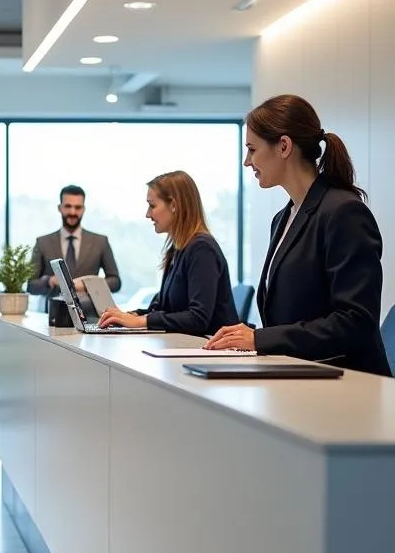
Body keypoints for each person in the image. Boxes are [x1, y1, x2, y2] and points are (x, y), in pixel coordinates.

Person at [206, 95, 390, 376]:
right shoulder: (282, 219)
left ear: (283, 146)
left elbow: (355, 322)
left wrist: (260, 339)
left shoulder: (344, 212)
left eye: (252, 149)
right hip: (299, 378)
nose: (246, 161)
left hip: (347, 386)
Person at [98, 171, 238, 335]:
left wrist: (141, 321)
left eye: (152, 205)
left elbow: (198, 319)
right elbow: (164, 308)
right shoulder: (178, 249)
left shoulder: (202, 249)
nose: (148, 214)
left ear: (173, 205)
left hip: (214, 350)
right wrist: (130, 316)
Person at [27, 185, 121, 304]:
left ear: (83, 209)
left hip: (89, 313)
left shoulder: (100, 242)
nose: (73, 212)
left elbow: (115, 282)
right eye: (68, 206)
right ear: (60, 208)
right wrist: (49, 281)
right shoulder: (42, 242)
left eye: (77, 207)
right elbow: (30, 285)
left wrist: (88, 285)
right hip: (53, 313)